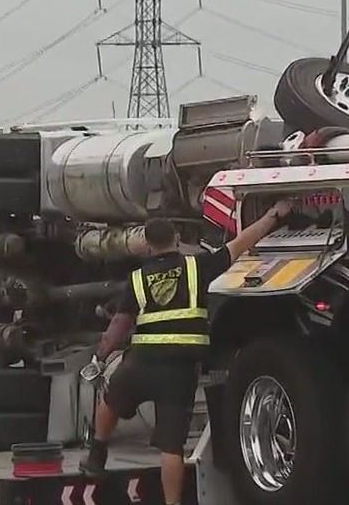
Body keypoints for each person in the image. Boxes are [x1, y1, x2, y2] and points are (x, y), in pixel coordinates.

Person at [79, 199, 295, 505]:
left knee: (111, 398)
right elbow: (240, 243)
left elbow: (120, 323)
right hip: (179, 369)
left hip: (142, 361)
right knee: (171, 446)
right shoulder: (197, 267)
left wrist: (101, 356)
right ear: (177, 241)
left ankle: (96, 456)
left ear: (147, 246)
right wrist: (273, 215)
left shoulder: (138, 279)